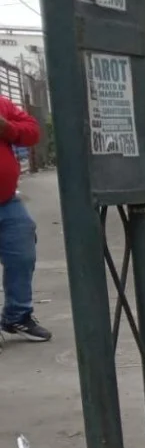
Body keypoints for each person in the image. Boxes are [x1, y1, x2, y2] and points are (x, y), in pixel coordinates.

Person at [0, 94, 48, 345]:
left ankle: (16, 316)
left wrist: (7, 128)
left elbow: (32, 132)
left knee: (22, 254)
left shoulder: (2, 103)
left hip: (6, 200)